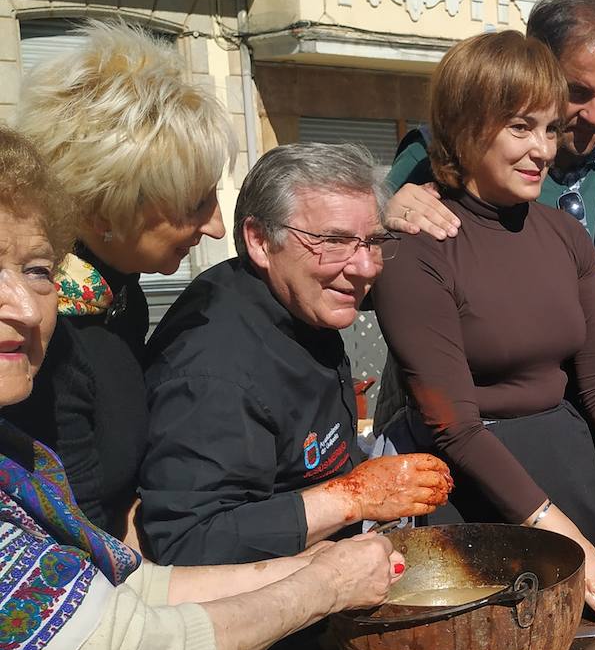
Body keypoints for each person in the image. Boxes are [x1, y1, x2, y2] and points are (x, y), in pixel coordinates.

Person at [0, 124, 407, 650]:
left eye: (36, 270)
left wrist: (316, 561)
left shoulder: (19, 462)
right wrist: (321, 574)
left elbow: (120, 578)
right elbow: (111, 646)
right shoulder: (216, 358)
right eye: (333, 241)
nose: (20, 305)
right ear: (263, 242)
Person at [372, 31, 595, 633]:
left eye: (549, 128)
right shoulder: (416, 248)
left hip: (573, 486)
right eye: (519, 128)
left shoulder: (565, 237)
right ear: (464, 128)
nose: (543, 150)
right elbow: (450, 425)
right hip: (475, 507)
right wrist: (568, 546)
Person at [139, 144, 453, 565]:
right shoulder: (213, 372)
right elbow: (189, 541)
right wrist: (354, 496)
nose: (364, 267)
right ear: (260, 240)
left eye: (373, 241)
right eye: (333, 241)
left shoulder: (301, 298)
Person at [1, 21, 232, 542]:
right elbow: (80, 537)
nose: (216, 225)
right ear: (107, 206)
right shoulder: (41, 339)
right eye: (195, 204)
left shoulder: (119, 297)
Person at [385, 0, 595, 269]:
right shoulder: (435, 152)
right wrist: (386, 225)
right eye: (577, 92)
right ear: (536, 68)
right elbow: (363, 278)